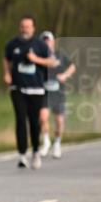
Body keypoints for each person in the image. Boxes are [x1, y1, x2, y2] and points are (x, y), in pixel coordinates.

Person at [3, 16, 55, 170]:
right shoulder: (12, 44)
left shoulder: (40, 45)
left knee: (34, 121)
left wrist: (36, 59)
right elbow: (6, 59)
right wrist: (6, 73)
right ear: (20, 28)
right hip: (17, 88)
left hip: (36, 88)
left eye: (28, 26)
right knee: (20, 119)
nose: (25, 29)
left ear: (33, 28)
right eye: (23, 26)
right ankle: (22, 154)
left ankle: (36, 152)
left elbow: (51, 61)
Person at [37, 31, 75, 159]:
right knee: (43, 117)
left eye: (48, 41)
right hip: (44, 92)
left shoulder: (60, 55)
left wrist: (65, 75)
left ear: (53, 42)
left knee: (59, 120)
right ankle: (46, 141)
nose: (46, 43)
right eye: (44, 41)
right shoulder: (38, 57)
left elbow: (72, 66)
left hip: (58, 92)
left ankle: (57, 142)